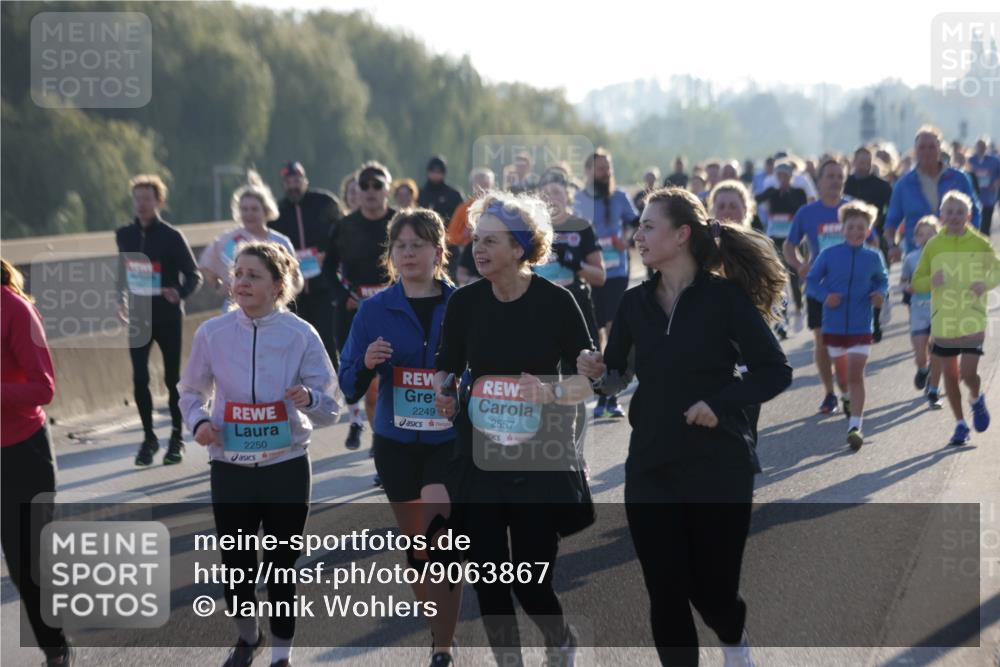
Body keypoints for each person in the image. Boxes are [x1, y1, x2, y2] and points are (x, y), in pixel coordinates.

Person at [576, 186, 792, 667]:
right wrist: (595, 371)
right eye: (639, 227)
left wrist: (720, 402)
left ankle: (734, 639)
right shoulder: (633, 304)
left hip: (719, 463)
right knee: (666, 590)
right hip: (652, 463)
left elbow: (775, 370)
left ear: (682, 235)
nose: (638, 235)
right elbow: (615, 378)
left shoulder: (726, 299)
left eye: (649, 226)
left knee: (712, 593)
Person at [433, 190, 596, 667]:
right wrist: (445, 392)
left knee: (529, 578)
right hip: (480, 454)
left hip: (538, 455)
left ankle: (559, 637)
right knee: (487, 573)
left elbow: (585, 385)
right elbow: (448, 365)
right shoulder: (464, 303)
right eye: (476, 241)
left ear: (520, 249)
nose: (477, 250)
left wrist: (549, 391)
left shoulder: (557, 302)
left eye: (491, 241)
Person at [178, 241, 340, 667]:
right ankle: (248, 635)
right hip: (230, 466)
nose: (243, 283)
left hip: (285, 465)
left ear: (278, 285)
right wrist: (199, 423)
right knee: (237, 569)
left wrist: (307, 398)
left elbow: (330, 404)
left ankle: (282, 656)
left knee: (282, 565)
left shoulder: (301, 334)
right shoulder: (212, 333)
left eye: (254, 276)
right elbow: (191, 392)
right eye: (238, 275)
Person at [337, 209, 461, 666]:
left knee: (440, 537)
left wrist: (459, 386)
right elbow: (346, 382)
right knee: (418, 546)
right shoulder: (373, 311)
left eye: (419, 244)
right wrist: (367, 362)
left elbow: (483, 367)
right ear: (391, 255)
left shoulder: (463, 304)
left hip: (447, 442)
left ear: (438, 251)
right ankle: (437, 627)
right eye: (401, 246)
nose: (409, 253)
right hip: (394, 442)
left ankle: (444, 646)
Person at [1, 259, 74, 667]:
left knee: (26, 568)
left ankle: (55, 648)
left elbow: (43, 387)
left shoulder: (13, 308)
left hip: (20, 451)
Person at [115, 174, 202, 466]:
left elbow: (194, 275)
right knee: (139, 377)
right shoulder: (124, 234)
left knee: (171, 378)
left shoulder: (172, 236)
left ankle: (176, 437)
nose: (141, 204)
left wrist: (179, 292)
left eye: (147, 199)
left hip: (166, 314)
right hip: (139, 314)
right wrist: (120, 299)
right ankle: (149, 438)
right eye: (137, 198)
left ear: (159, 201)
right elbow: (122, 271)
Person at [911, 190, 999, 446]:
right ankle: (960, 424)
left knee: (968, 373)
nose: (955, 216)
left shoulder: (980, 242)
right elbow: (917, 281)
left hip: (972, 318)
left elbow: (998, 269)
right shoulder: (934, 245)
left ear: (969, 215)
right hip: (944, 321)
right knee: (950, 376)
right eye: (949, 212)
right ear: (942, 216)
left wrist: (986, 282)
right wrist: (931, 281)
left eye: (960, 212)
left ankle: (975, 397)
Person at [806, 201, 889, 450]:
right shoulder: (829, 255)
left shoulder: (873, 257)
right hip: (833, 326)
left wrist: (879, 293)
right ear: (843, 229)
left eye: (861, 228)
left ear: (868, 230)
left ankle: (855, 425)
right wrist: (825, 297)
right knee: (843, 378)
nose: (855, 232)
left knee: (855, 374)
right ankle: (844, 398)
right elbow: (811, 281)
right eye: (851, 227)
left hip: (861, 325)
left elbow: (882, 280)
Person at [327, 161, 396, 455]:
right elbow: (328, 269)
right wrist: (344, 296)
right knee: (370, 386)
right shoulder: (345, 225)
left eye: (377, 185)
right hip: (356, 313)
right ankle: (380, 443)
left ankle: (391, 441)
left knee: (390, 383)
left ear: (387, 190)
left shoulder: (401, 223)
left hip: (394, 312)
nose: (370, 191)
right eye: (364, 185)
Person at [573, 148, 639, 419]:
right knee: (597, 332)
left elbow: (636, 222)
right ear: (589, 171)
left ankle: (611, 396)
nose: (606, 172)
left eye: (608, 167)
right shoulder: (580, 199)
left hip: (617, 270)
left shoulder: (621, 196)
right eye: (601, 168)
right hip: (591, 273)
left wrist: (628, 238)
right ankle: (603, 387)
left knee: (613, 328)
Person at [784, 159, 852, 415]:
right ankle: (829, 393)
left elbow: (872, 244)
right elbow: (789, 246)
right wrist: (800, 264)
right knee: (823, 341)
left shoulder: (852, 210)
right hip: (819, 288)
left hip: (849, 288)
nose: (835, 181)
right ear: (819, 181)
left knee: (845, 342)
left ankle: (847, 388)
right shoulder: (807, 213)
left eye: (839, 177)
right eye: (830, 176)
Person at [269, 161, 344, 370]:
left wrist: (327, 253)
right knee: (295, 343)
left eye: (297, 180)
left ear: (305, 181)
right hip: (292, 290)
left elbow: (342, 233)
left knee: (327, 340)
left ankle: (333, 390)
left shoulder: (325, 202)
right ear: (283, 184)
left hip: (324, 286)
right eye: (288, 181)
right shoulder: (275, 212)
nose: (293, 185)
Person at [199, 170, 296, 311]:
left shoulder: (280, 241)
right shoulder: (229, 239)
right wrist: (219, 286)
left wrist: (290, 291)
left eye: (254, 209)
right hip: (235, 308)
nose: (249, 214)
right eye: (244, 209)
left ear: (266, 210)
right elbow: (205, 265)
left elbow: (295, 276)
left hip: (273, 310)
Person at [886, 126, 982, 261]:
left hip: (955, 252)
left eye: (931, 147)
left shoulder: (958, 178)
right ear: (915, 151)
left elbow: (975, 212)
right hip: (918, 255)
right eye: (922, 147)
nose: (927, 152)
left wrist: (970, 238)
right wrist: (892, 246)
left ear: (940, 149)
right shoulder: (904, 184)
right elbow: (891, 221)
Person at [537, 168, 606, 344]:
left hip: (576, 303)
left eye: (556, 192)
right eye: (545, 193)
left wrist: (574, 263)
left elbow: (600, 277)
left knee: (583, 366)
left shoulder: (581, 227)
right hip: (541, 307)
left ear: (568, 195)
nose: (550, 198)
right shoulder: (532, 230)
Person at [755, 160, 809, 332]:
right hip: (775, 237)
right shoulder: (772, 192)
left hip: (793, 238)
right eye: (779, 175)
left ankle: (799, 309)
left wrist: (786, 198)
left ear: (790, 176)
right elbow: (756, 199)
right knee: (779, 276)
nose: (782, 178)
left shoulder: (798, 192)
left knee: (794, 275)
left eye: (785, 175)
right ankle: (782, 316)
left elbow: (800, 208)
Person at [899, 216, 943, 408]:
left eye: (930, 234)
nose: (926, 238)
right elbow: (903, 281)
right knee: (920, 353)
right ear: (916, 238)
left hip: (940, 309)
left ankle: (933, 385)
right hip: (918, 311)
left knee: (938, 348)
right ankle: (923, 370)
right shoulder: (910, 258)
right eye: (922, 234)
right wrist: (908, 287)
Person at [447, 168, 495, 284]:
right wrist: (464, 235)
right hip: (469, 256)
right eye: (480, 185)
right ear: (473, 186)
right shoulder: (464, 208)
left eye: (486, 185)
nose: (484, 189)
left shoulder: (499, 208)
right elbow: (451, 236)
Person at [418, 155, 464, 223]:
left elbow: (461, 215)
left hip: (448, 231)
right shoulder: (419, 194)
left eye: (439, 172)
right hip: (424, 231)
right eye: (433, 171)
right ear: (428, 172)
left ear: (444, 173)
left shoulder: (453, 195)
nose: (435, 175)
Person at [969, 136, 1000, 236]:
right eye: (979, 146)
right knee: (975, 224)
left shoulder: (994, 161)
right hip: (974, 197)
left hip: (988, 197)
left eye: (983, 146)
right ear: (976, 147)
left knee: (986, 225)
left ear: (987, 147)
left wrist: (996, 183)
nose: (981, 148)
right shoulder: (970, 160)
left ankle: (985, 246)